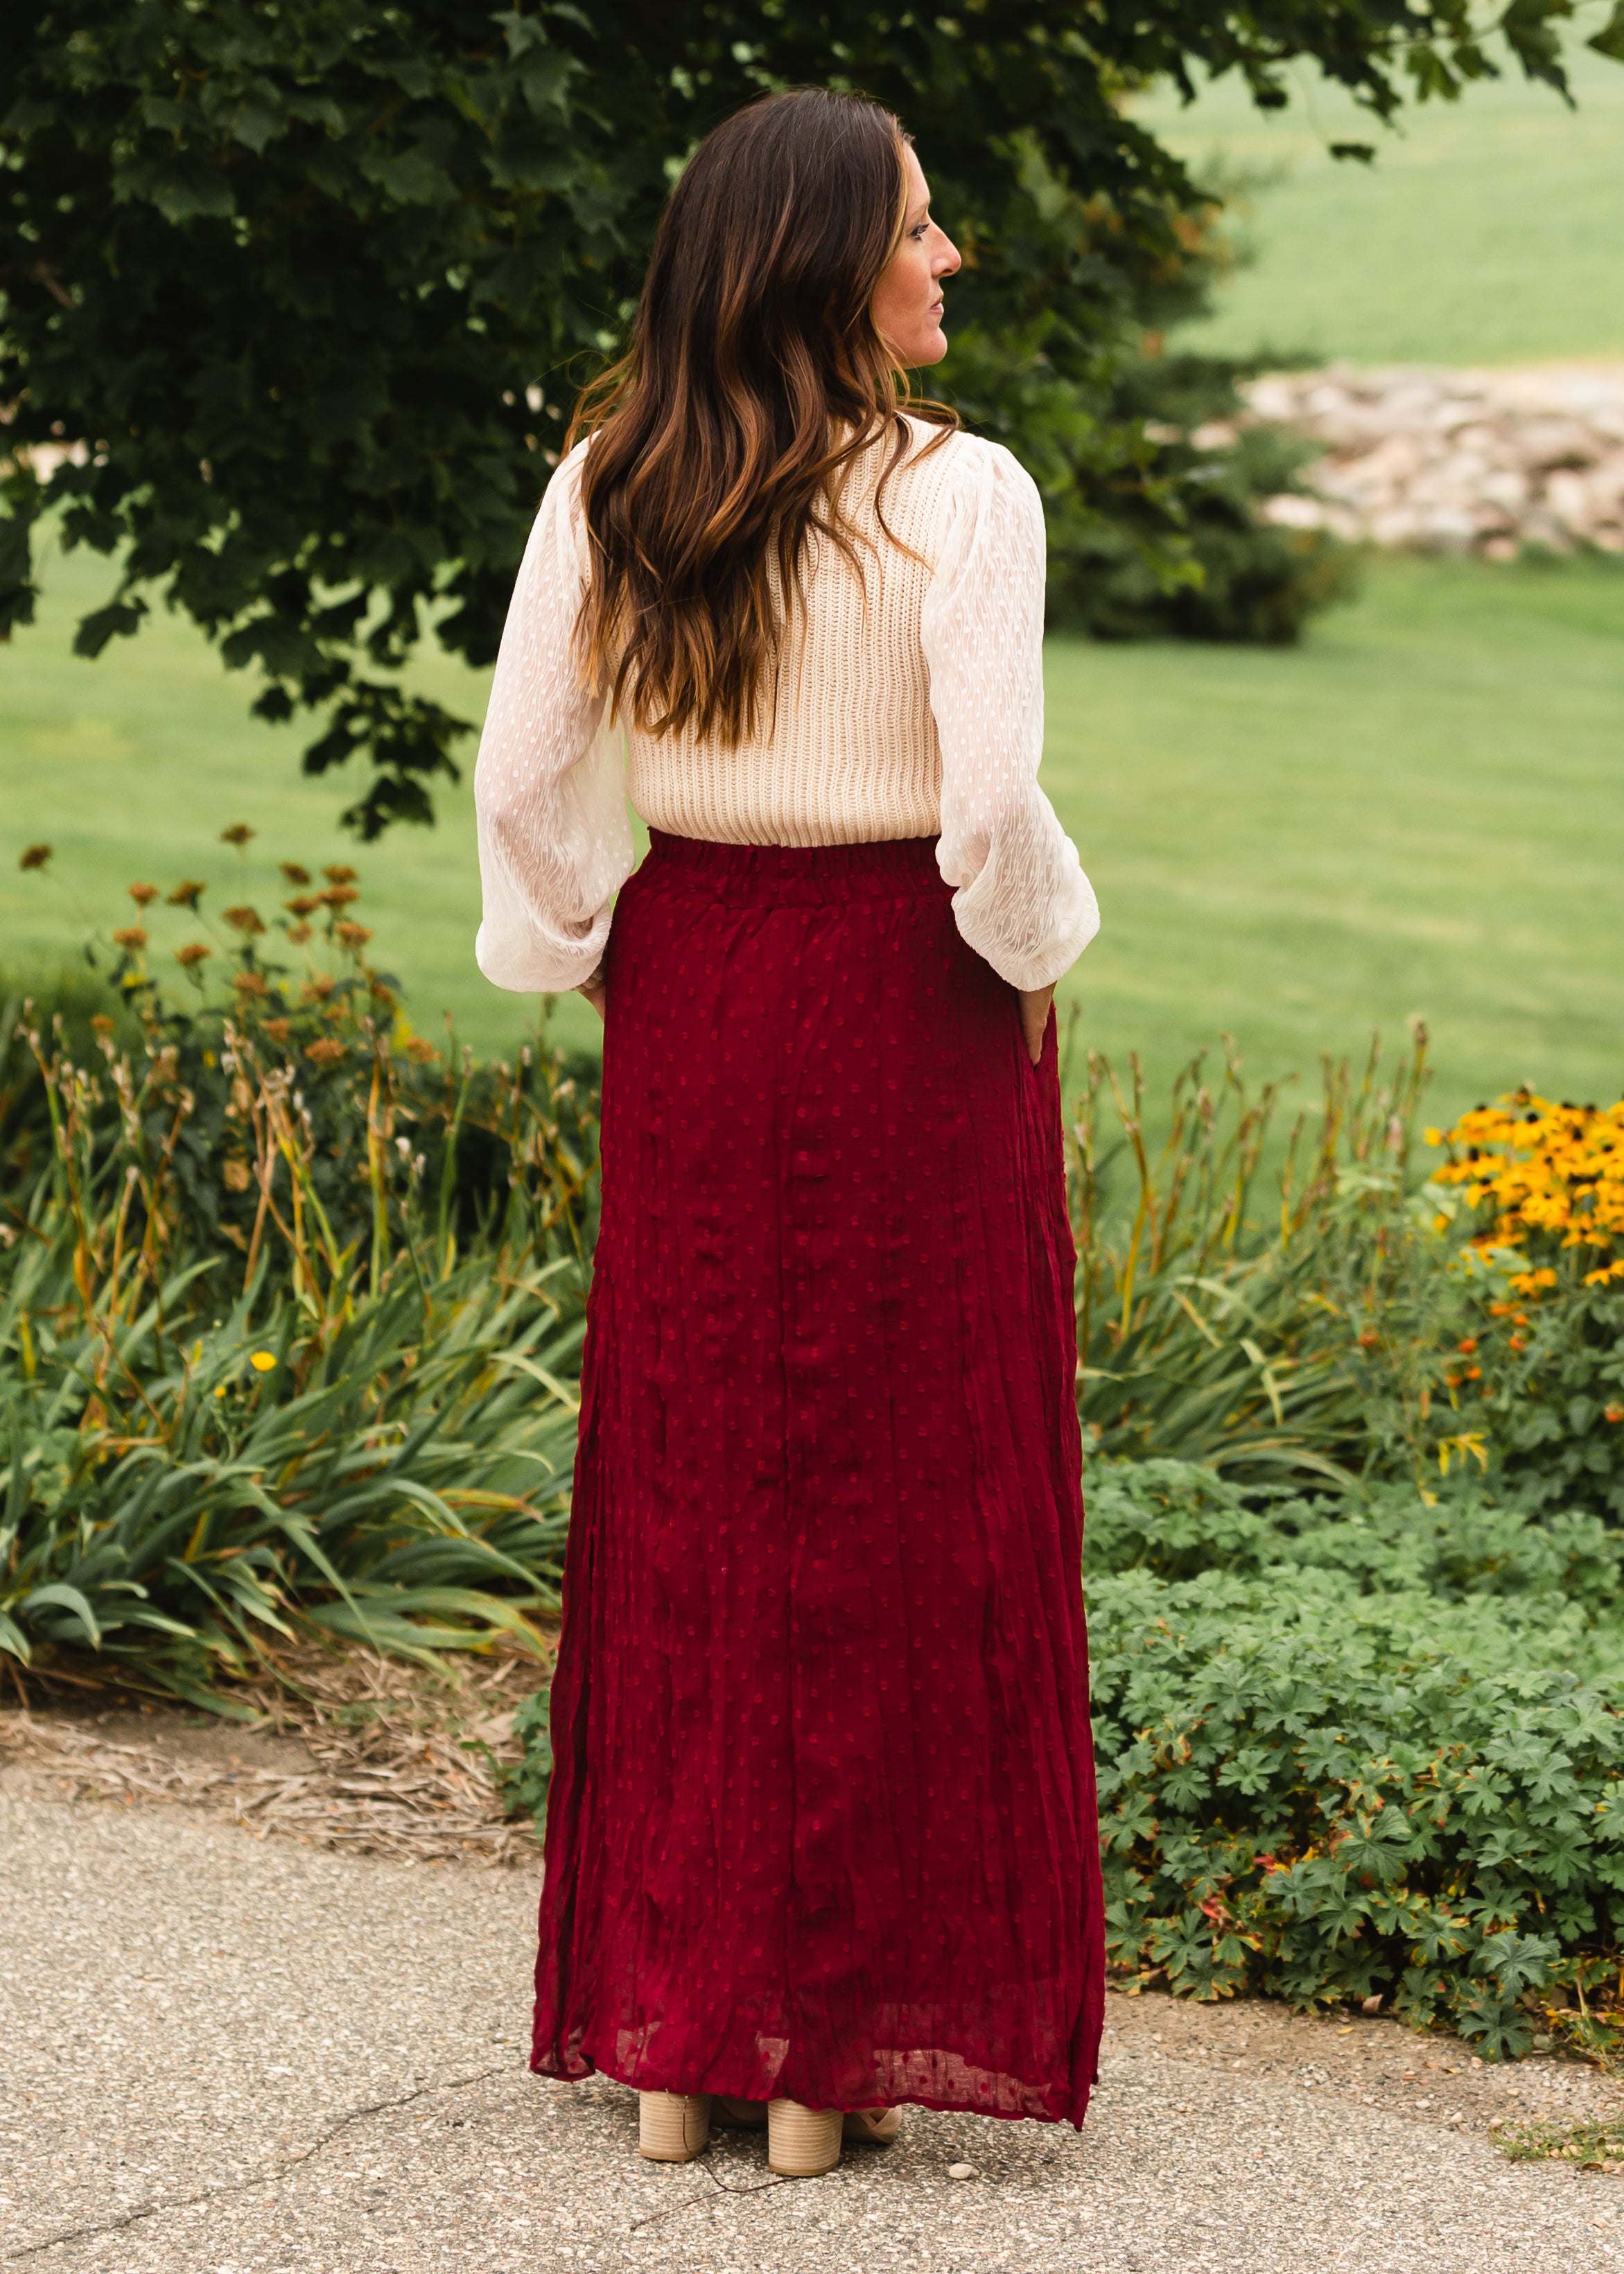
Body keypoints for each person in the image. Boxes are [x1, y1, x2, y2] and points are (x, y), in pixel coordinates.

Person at [473, 85, 1105, 2182]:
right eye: (926, 227)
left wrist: (571, 947)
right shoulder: (965, 494)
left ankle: (684, 2047)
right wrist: (1035, 950)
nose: (951, 261)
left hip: (693, 995)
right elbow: (992, 813)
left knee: (697, 1483)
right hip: (898, 1001)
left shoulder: (616, 479)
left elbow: (523, 784)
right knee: (906, 1492)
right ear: (837, 258)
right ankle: (829, 2055)